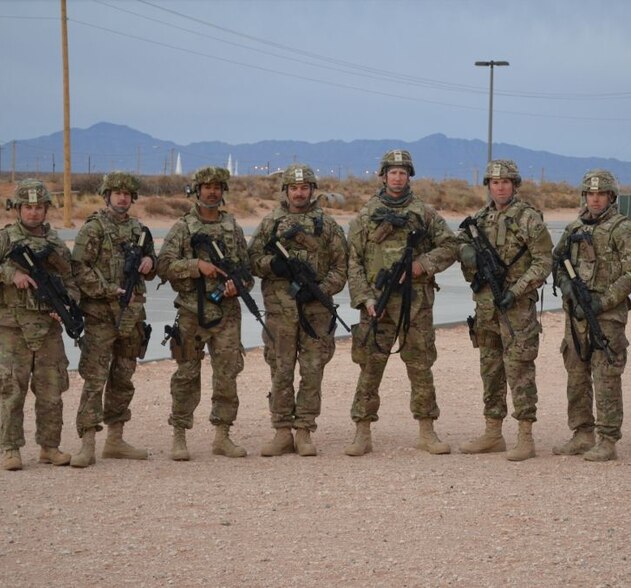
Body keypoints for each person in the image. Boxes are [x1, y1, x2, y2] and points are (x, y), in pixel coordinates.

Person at [344, 149, 458, 456]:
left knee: (421, 367)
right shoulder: (367, 215)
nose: (397, 177)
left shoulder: (424, 212)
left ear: (409, 176)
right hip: (377, 306)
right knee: (370, 367)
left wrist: (422, 264)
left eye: (403, 172)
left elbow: (451, 245)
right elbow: (352, 262)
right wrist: (365, 298)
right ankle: (362, 432)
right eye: (392, 172)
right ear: (383, 176)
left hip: (415, 304)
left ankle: (426, 430)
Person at [0, 178, 75, 471]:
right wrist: (9, 274)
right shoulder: (2, 241)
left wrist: (65, 307)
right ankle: (11, 449)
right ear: (17, 209)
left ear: (46, 210)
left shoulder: (55, 245)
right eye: (27, 207)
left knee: (51, 390)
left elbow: (70, 280)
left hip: (47, 329)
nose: (33, 213)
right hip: (12, 328)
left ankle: (49, 447)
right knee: (11, 390)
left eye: (39, 207)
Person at [247, 163, 348, 457]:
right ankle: (281, 430)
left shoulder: (328, 226)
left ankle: (304, 430)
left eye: (305, 188)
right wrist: (272, 264)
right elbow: (252, 260)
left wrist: (320, 289)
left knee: (313, 371)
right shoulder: (270, 223)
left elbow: (341, 269)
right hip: (280, 313)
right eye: (294, 188)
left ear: (313, 191)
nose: (300, 193)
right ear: (286, 191)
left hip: (316, 313)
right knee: (280, 370)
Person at [456, 160, 553, 461]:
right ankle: (493, 432)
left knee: (519, 369)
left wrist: (516, 290)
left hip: (517, 309)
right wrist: (466, 252)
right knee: (491, 368)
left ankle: (525, 435)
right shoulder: (480, 220)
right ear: (488, 186)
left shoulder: (528, 218)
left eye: (506, 182)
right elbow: (458, 245)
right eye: (494, 182)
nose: (500, 187)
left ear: (515, 185)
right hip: (486, 307)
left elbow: (543, 262)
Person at [157, 166, 252, 461]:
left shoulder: (232, 227)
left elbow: (247, 271)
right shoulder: (184, 228)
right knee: (186, 374)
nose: (212, 191)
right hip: (190, 313)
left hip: (227, 314)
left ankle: (222, 436)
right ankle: (179, 435)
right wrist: (195, 266)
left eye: (217, 187)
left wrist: (238, 285)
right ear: (196, 191)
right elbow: (164, 266)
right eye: (206, 186)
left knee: (227, 374)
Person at [551, 169, 631, 461]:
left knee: (606, 375)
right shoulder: (575, 227)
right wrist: (567, 287)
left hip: (606, 317)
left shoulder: (624, 229)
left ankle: (607, 438)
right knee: (576, 374)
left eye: (600, 194)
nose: (594, 199)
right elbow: (557, 260)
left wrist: (601, 302)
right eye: (590, 194)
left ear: (611, 197)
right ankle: (582, 433)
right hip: (576, 314)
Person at [69, 171, 156, 468]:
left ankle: (115, 439)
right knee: (94, 379)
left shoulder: (139, 230)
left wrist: (149, 263)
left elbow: (153, 264)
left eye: (127, 193)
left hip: (131, 316)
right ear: (107, 196)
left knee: (122, 377)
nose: (122, 197)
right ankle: (87, 442)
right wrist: (108, 290)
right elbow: (79, 269)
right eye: (117, 193)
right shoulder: (94, 229)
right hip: (100, 316)